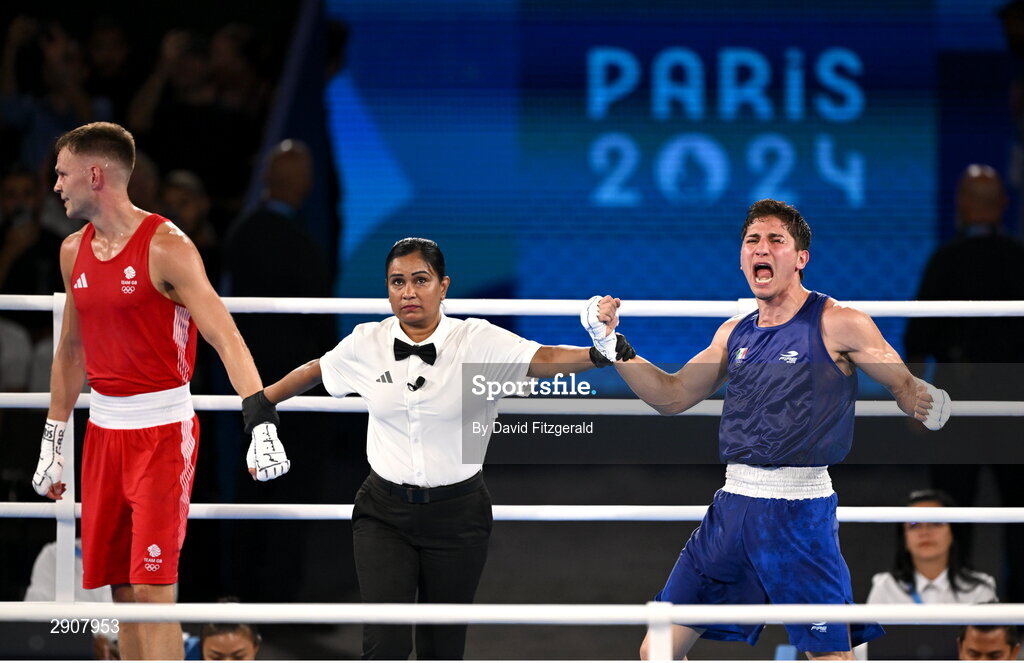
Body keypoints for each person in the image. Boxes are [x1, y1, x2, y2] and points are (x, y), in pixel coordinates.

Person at [582, 198, 951, 660]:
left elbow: (901, 382)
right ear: (742, 258)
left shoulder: (839, 323)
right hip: (732, 507)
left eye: (776, 239)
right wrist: (612, 346)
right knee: (656, 648)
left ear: (800, 258)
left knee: (829, 655)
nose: (762, 248)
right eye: (753, 240)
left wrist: (922, 398)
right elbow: (672, 395)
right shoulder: (733, 333)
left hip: (800, 512)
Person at [264, 237, 614, 660]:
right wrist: (261, 404)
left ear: (443, 286)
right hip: (383, 514)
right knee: (384, 644)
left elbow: (545, 357)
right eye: (397, 282)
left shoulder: (477, 340)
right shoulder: (367, 342)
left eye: (420, 280)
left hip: (458, 516)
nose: (408, 292)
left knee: (442, 649)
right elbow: (316, 370)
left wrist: (598, 354)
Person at [30, 121, 290, 660]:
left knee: (154, 590)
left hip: (161, 435)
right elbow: (71, 351)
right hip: (102, 433)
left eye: (62, 173)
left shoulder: (168, 247)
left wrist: (259, 417)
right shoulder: (71, 250)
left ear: (95, 174)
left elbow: (225, 334)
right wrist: (53, 438)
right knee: (122, 592)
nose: (55, 185)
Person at [903, 164, 1024, 602]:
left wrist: (914, 397)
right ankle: (1014, 609)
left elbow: (918, 337)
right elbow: (919, 335)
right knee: (1016, 511)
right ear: (1003, 207)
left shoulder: (946, 260)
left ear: (961, 206)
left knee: (953, 508)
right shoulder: (1018, 258)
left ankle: (954, 604)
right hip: (1014, 407)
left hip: (958, 405)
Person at [867, 489, 997, 605]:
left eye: (936, 523)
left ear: (953, 533)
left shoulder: (979, 588)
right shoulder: (885, 587)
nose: (925, 532)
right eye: (915, 525)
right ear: (904, 539)